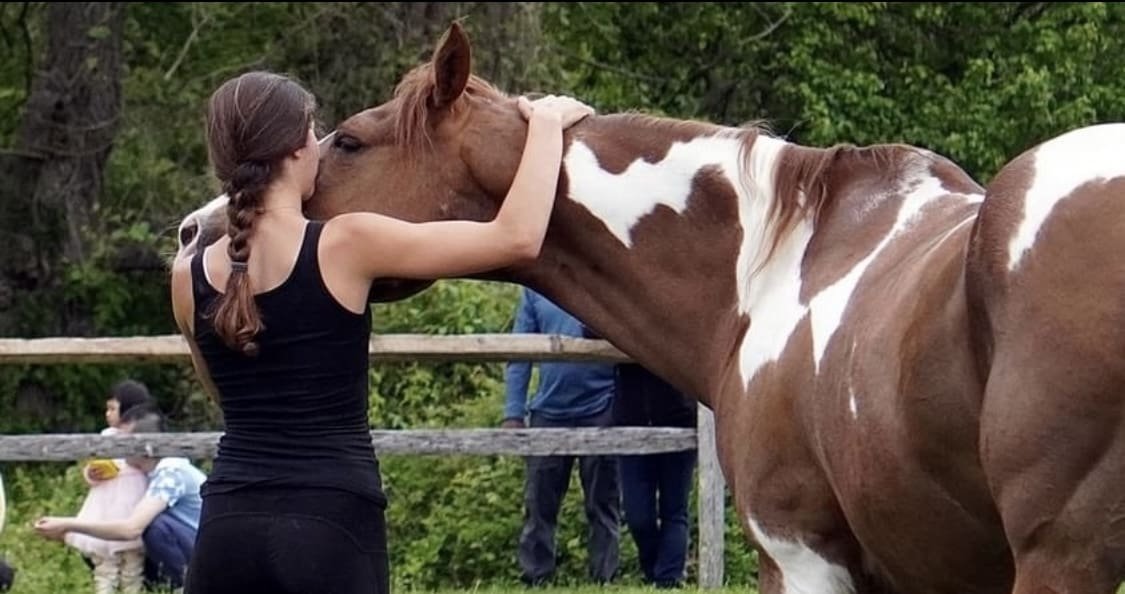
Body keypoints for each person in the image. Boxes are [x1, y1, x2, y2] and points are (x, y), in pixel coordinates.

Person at [165, 70, 594, 594]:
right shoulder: (348, 243)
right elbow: (519, 238)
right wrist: (546, 126)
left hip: (226, 525)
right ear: (300, 148)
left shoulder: (187, 276)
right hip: (332, 522)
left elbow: (222, 392)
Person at [502, 287, 621, 586]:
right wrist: (513, 412)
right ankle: (536, 576)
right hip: (548, 411)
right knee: (539, 504)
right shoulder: (534, 291)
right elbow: (517, 354)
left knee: (603, 503)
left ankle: (604, 579)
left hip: (602, 406)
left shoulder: (601, 281)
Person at [34, 406, 206, 592]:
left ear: (145, 447)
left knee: (155, 529)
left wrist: (69, 525)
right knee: (105, 543)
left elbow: (131, 529)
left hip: (205, 552)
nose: (119, 449)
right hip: (188, 545)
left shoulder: (171, 473)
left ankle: (187, 587)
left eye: (125, 443)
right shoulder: (149, 471)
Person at [64, 380, 155, 594]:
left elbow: (149, 467)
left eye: (113, 408)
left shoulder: (144, 437)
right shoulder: (106, 437)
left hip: (132, 503)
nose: (108, 413)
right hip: (104, 506)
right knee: (104, 566)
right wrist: (92, 474)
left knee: (132, 565)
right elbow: (92, 466)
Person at [613, 363, 698, 589]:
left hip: (679, 416)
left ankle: (668, 579)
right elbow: (591, 332)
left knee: (675, 508)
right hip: (631, 420)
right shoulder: (626, 328)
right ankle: (653, 570)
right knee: (637, 514)